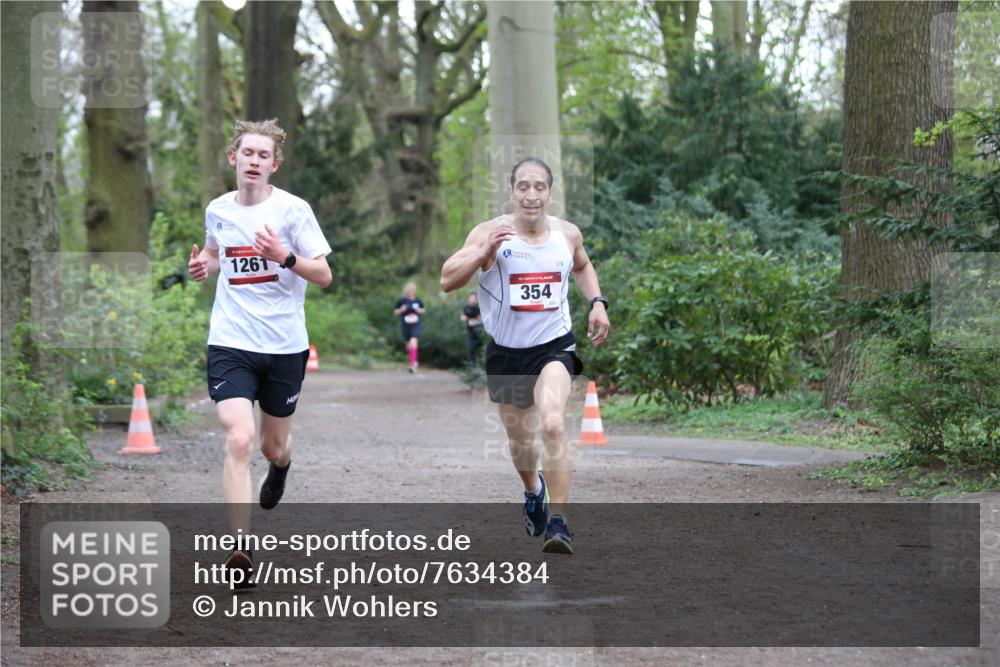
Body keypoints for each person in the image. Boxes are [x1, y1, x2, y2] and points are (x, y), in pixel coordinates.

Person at [440, 157, 610, 554]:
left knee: (552, 424)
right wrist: (483, 251)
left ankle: (559, 523)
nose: (531, 195)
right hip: (507, 353)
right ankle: (534, 491)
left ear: (550, 193)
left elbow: (583, 266)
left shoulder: (567, 234)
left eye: (539, 187)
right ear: (511, 191)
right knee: (522, 446)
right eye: (523, 187)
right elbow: (448, 280)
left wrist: (598, 302)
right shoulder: (489, 232)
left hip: (554, 347)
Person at [188, 118, 332, 582]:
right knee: (238, 438)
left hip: (284, 345)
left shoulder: (293, 211)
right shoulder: (218, 210)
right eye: (247, 153)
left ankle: (282, 464)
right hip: (230, 339)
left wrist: (283, 257)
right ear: (233, 158)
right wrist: (204, 264)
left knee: (271, 446)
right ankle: (241, 549)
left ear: (274, 164)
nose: (254, 161)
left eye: (263, 155)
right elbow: (215, 252)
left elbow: (324, 275)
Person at [393, 282, 425, 373]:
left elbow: (423, 310)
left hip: (415, 324)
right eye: (409, 290)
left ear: (414, 291)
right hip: (406, 325)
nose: (411, 291)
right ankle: (412, 360)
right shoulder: (402, 300)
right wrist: (401, 310)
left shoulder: (418, 300)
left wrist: (419, 310)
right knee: (408, 345)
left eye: (412, 290)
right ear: (406, 291)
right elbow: (395, 312)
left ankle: (413, 364)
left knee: (413, 341)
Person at [460, 292, 483, 366]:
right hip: (470, 333)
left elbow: (480, 319)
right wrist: (472, 319)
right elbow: (462, 317)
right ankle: (472, 366)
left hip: (480, 333)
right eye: (470, 298)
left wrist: (471, 319)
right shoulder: (467, 308)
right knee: (471, 349)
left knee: (480, 350)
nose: (472, 300)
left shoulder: (479, 309)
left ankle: (480, 366)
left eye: (473, 299)